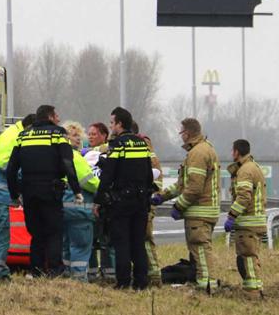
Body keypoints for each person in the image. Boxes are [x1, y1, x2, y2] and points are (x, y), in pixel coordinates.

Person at [5, 105, 81, 277]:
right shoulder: (57, 133)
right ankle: (55, 270)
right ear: (49, 117)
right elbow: (68, 163)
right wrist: (76, 189)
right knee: (54, 231)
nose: (59, 119)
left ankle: (36, 270)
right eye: (56, 115)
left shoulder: (23, 135)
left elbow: (11, 169)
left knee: (36, 233)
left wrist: (14, 194)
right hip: (51, 190)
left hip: (29, 191)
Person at [152, 118, 220, 293]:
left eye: (181, 132)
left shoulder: (197, 153)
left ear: (187, 133)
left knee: (200, 249)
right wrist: (162, 196)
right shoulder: (203, 149)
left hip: (200, 212)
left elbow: (194, 188)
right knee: (197, 250)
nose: (180, 136)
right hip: (205, 210)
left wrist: (179, 206)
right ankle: (202, 281)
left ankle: (206, 286)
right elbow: (182, 184)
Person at [94, 107, 154, 290]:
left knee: (122, 243)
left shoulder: (117, 145)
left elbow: (108, 176)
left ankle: (123, 282)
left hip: (121, 201)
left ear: (120, 124)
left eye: (112, 123)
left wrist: (99, 200)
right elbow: (149, 175)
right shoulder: (142, 144)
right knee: (138, 243)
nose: (111, 126)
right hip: (141, 201)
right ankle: (141, 282)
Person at [0, 113, 35, 281]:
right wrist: (23, 176)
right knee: (1, 232)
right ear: (30, 128)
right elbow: (5, 163)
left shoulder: (11, 133)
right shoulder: (14, 136)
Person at [225, 139, 266, 298]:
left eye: (232, 150)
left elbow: (243, 197)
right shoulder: (254, 167)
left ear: (236, 152)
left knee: (247, 259)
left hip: (248, 223)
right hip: (256, 222)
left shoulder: (245, 170)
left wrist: (231, 216)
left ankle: (252, 293)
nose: (231, 154)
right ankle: (256, 290)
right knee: (251, 259)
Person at [61, 121, 99, 282]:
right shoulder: (75, 157)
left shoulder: (57, 155)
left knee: (67, 247)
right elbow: (89, 182)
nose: (79, 139)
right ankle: (79, 281)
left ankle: (67, 277)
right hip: (80, 210)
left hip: (64, 211)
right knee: (81, 248)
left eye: (79, 136)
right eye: (74, 135)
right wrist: (103, 190)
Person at [133, 121, 164, 287]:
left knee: (145, 240)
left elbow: (155, 182)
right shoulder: (149, 153)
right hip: (146, 201)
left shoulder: (144, 153)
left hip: (146, 203)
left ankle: (154, 276)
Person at [83, 122, 115, 282]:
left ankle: (109, 274)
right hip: (90, 202)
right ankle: (92, 273)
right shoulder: (86, 156)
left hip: (106, 203)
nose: (90, 137)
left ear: (104, 136)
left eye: (94, 134)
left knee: (106, 241)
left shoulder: (108, 152)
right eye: (89, 134)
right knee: (91, 241)